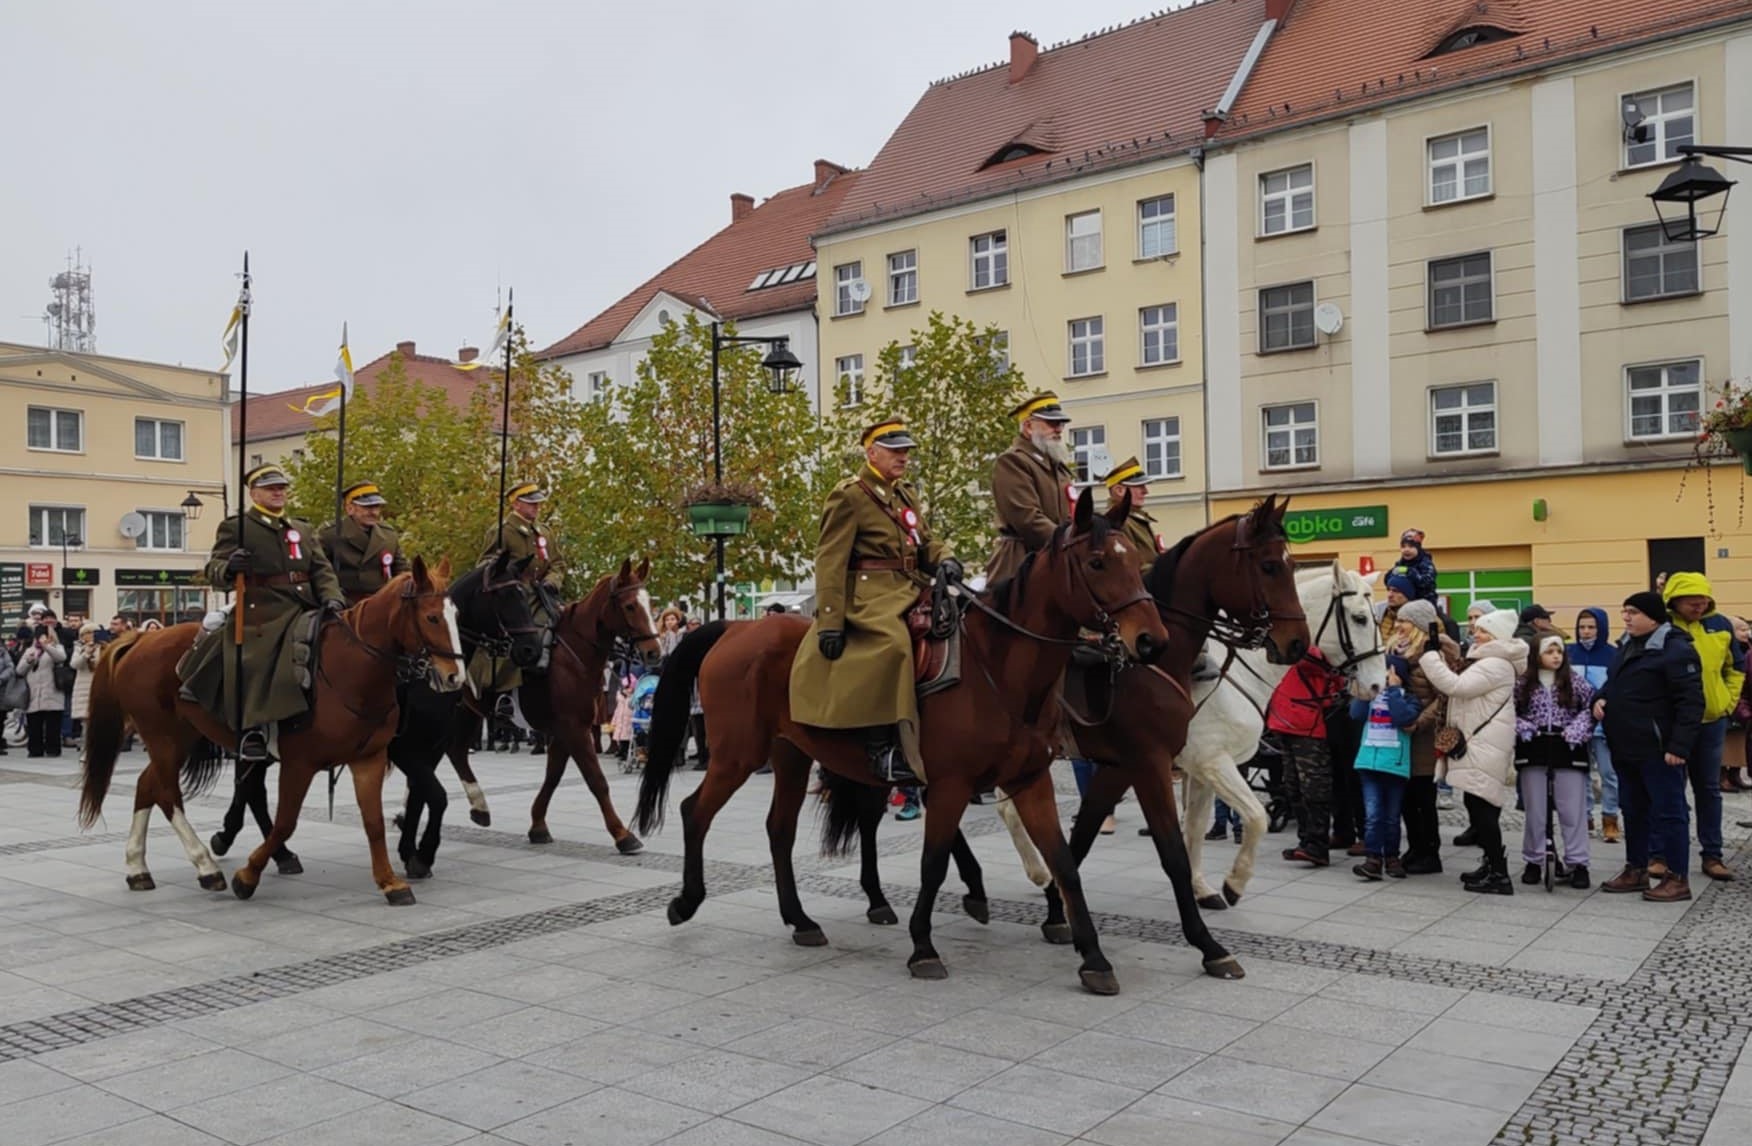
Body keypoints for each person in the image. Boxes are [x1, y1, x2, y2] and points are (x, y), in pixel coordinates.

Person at [790, 418, 960, 784]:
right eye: (895, 450)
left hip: (911, 585)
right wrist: (831, 621)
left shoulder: (905, 494)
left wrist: (945, 558)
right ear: (871, 453)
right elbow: (830, 560)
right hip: (870, 594)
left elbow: (924, 540)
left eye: (906, 451)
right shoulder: (849, 495)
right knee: (894, 644)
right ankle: (882, 747)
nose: (904, 457)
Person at [177, 463, 345, 764]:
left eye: (281, 487)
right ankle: (254, 729)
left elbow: (322, 570)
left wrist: (333, 599)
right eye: (271, 488)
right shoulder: (238, 527)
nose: (278, 492)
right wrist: (231, 567)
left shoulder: (303, 529)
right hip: (264, 608)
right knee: (257, 659)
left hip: (307, 605)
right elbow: (214, 568)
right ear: (254, 493)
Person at [1597, 592, 1704, 902]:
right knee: (1633, 809)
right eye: (1624, 611)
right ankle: (1637, 868)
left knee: (1670, 812)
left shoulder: (1675, 650)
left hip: (1660, 750)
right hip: (1627, 745)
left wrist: (1679, 746)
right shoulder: (1628, 645)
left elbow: (1691, 702)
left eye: (1633, 612)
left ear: (1654, 617)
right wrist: (1599, 699)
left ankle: (1677, 877)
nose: (1627, 617)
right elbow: (1612, 684)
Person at [1419, 608, 1526, 895]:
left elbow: (1456, 686)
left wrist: (1429, 657)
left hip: (1484, 744)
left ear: (1497, 637)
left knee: (1483, 810)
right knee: (1477, 805)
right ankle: (1491, 864)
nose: (1475, 633)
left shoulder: (1496, 664)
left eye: (1483, 631)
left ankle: (1499, 874)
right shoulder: (1491, 660)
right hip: (1481, 742)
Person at [1660, 572, 1743, 882]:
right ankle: (1662, 854)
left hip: (1712, 722)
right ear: (1675, 601)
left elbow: (1734, 667)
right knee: (1669, 790)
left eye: (1703, 601)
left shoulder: (1720, 625)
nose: (1699, 606)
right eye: (1692, 602)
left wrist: (1727, 702)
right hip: (1673, 723)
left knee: (1708, 789)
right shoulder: (1663, 627)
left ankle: (1713, 855)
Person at [1514, 635, 1596, 889]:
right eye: (1549, 652)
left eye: (1559, 651)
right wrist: (1524, 727)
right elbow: (1509, 711)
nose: (1556, 657)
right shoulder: (1524, 683)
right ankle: (1534, 859)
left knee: (1572, 809)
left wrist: (1577, 730)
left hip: (1567, 745)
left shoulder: (1574, 681)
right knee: (1536, 809)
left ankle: (1578, 861)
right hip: (1535, 745)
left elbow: (1591, 707)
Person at [475, 480, 566, 692]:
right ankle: (499, 690)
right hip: (512, 599)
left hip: (543, 596)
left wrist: (553, 580)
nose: (537, 507)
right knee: (516, 639)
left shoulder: (544, 532)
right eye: (531, 503)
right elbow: (484, 565)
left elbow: (558, 563)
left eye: (538, 503)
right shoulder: (502, 531)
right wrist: (504, 575)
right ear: (516, 504)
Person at [985, 392, 1074, 586]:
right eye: (1051, 423)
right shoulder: (1013, 461)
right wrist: (1068, 542)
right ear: (1028, 426)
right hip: (1021, 560)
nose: (1058, 429)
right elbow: (1027, 518)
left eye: (1060, 424)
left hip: (1057, 555)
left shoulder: (1058, 467)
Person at [1387, 599, 1448, 874]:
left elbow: (1444, 697)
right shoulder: (1396, 654)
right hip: (1401, 737)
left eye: (1405, 621)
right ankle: (1415, 847)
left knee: (1423, 798)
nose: (1398, 625)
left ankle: (1430, 853)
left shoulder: (1432, 656)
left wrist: (1419, 722)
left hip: (1422, 738)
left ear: (1420, 626)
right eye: (1398, 620)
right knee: (1407, 799)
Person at [1271, 646, 1347, 866]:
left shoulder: (1315, 651)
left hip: (1307, 726)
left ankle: (1317, 845)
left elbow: (1302, 658)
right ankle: (1307, 841)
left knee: (1314, 788)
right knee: (1294, 788)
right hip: (1286, 723)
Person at [1350, 653, 1422, 880]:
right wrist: (1367, 689)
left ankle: (1392, 856)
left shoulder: (1408, 699)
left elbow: (1403, 718)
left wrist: (1393, 691)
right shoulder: (1370, 697)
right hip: (1369, 764)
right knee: (1373, 815)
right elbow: (1355, 713)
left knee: (1391, 816)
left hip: (1394, 766)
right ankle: (1373, 858)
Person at [1569, 608, 1620, 842]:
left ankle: (1610, 819)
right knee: (1581, 773)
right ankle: (1585, 818)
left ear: (1601, 629)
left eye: (1591, 627)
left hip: (1604, 726)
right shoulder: (1569, 653)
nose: (1586, 632)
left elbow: (1618, 688)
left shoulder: (1613, 655)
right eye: (1582, 627)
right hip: (1576, 726)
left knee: (1609, 774)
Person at [317, 481, 409, 605]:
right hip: (344, 604)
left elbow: (402, 571)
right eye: (367, 507)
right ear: (350, 509)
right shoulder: (331, 534)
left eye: (377, 507)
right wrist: (332, 598)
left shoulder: (388, 535)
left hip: (381, 604)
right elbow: (318, 571)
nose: (374, 512)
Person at [18, 626, 68, 758]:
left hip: (52, 691)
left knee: (53, 724)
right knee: (34, 724)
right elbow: (19, 670)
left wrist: (46, 646)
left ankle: (53, 749)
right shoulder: (30, 650)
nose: (39, 639)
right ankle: (35, 750)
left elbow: (61, 658)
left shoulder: (57, 647)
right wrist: (28, 661)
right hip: (34, 693)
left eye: (43, 636)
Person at [68, 621, 102, 747]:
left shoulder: (103, 647)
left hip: (99, 684)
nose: (90, 635)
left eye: (93, 632)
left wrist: (96, 650)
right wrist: (86, 653)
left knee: (100, 718)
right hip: (83, 686)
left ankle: (100, 745)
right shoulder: (79, 648)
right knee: (86, 720)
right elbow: (74, 664)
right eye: (86, 633)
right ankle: (87, 746)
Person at [1389, 529, 1438, 606]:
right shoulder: (1400, 564)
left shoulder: (1426, 564)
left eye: (1411, 546)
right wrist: (1390, 576)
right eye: (1403, 547)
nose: (1406, 550)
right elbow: (1390, 581)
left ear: (1418, 548)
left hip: (1424, 603)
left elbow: (1427, 582)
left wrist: (1411, 573)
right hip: (1403, 602)